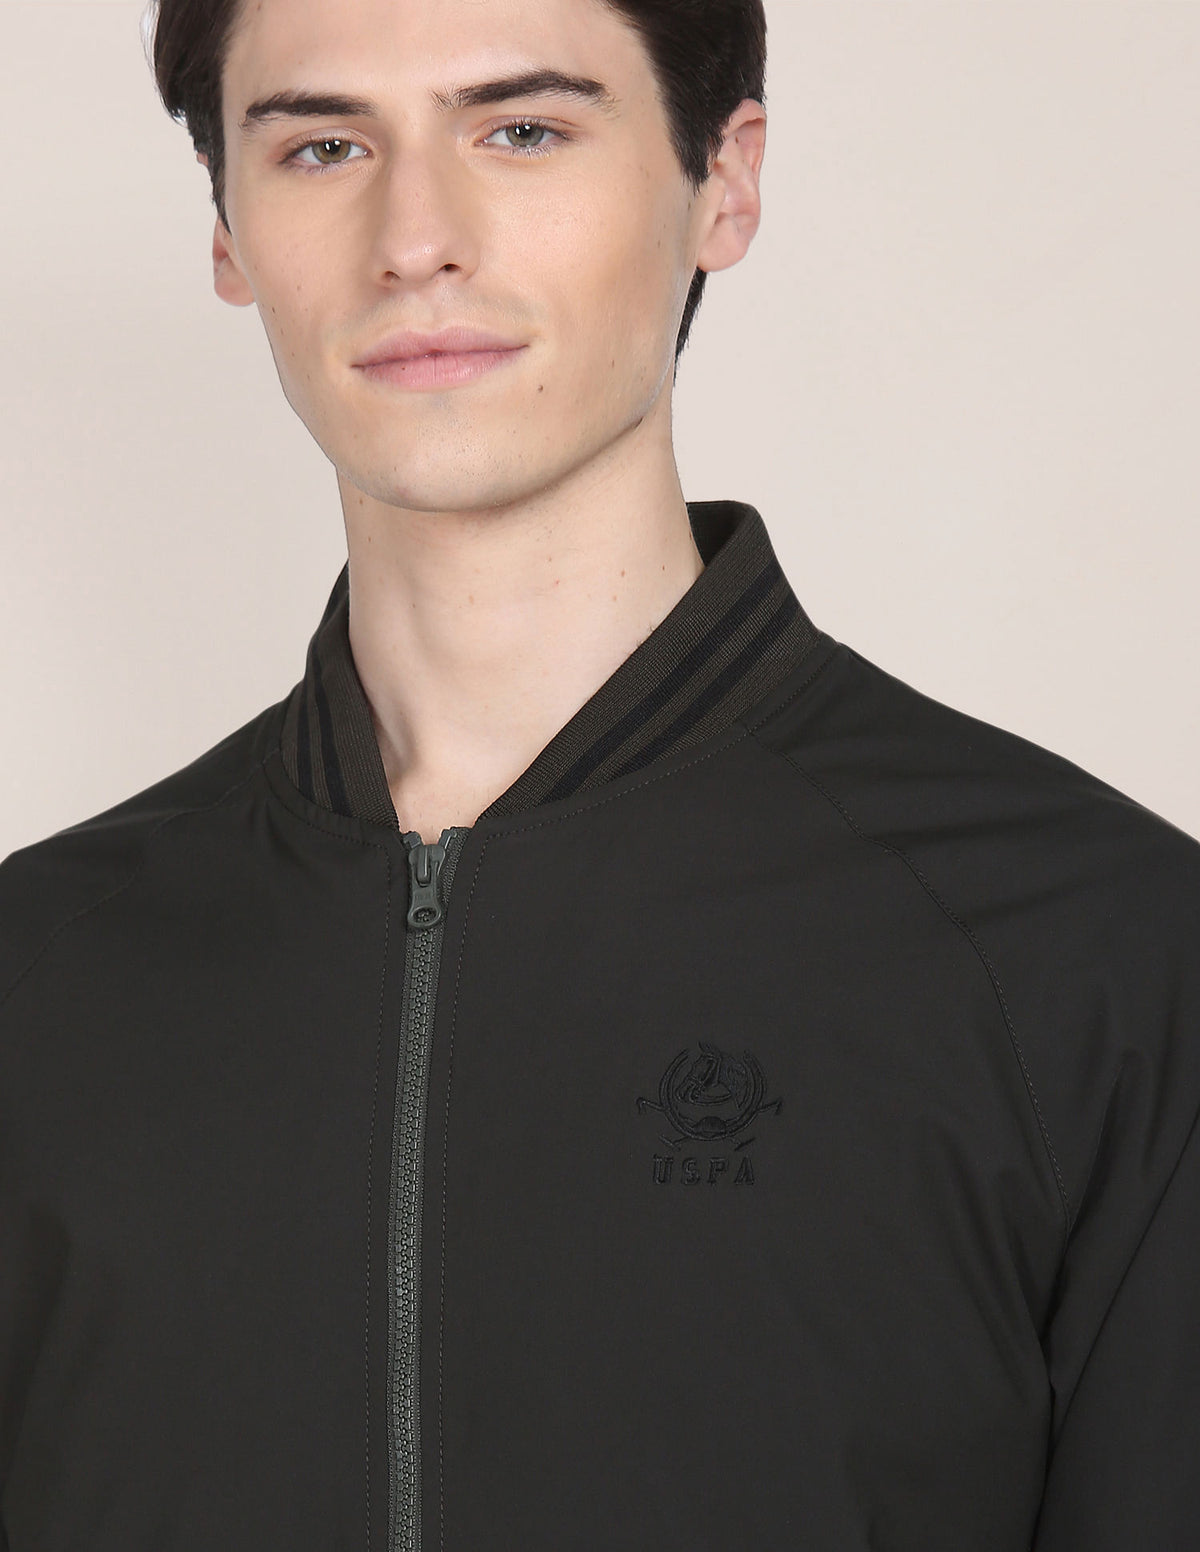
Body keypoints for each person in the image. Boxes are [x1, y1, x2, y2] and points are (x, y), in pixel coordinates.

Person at [1, 0, 1197, 1546]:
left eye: (524, 130)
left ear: (724, 182)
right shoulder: (35, 981)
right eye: (323, 147)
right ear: (228, 228)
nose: (415, 240)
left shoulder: (1099, 960)